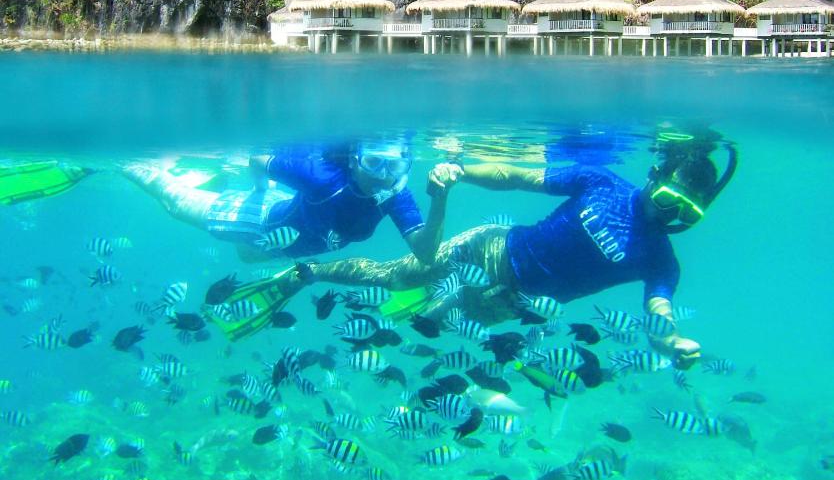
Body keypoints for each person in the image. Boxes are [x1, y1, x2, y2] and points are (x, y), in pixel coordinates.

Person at [240, 134, 736, 370]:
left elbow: (658, 312)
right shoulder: (601, 182)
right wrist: (461, 171)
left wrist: (671, 343)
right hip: (490, 249)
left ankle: (425, 305)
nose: (670, 215)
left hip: (512, 304)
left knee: (436, 323)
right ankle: (309, 272)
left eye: (686, 212)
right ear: (655, 177)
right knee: (396, 275)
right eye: (668, 199)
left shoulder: (661, 260)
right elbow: (516, 175)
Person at [125, 139, 452, 264]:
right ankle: (131, 165)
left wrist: (439, 198)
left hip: (284, 243)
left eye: (395, 166)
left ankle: (207, 185)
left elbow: (425, 254)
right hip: (261, 221)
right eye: (373, 162)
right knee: (175, 203)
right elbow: (257, 159)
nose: (383, 175)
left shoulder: (395, 194)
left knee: (248, 257)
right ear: (354, 161)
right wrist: (258, 192)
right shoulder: (321, 176)